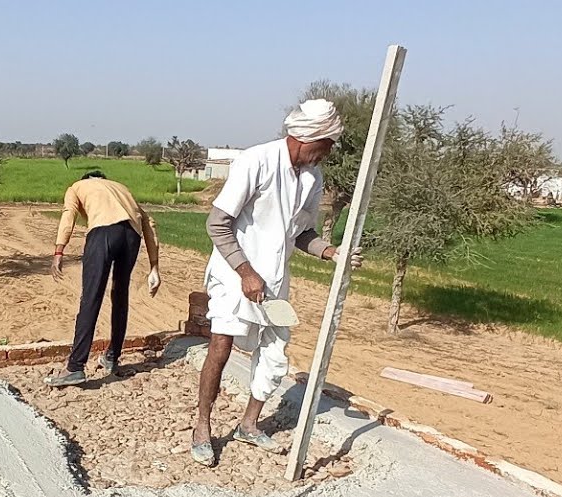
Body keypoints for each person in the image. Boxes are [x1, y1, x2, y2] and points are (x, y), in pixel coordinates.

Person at [191, 99, 362, 466]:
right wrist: (246, 272)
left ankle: (249, 424)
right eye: (325, 145)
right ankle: (202, 426)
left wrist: (332, 252)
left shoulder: (313, 178)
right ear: (305, 137)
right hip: (234, 276)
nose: (326, 154)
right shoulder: (257, 161)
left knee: (274, 352)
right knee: (221, 346)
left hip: (274, 281)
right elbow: (217, 224)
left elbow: (302, 233)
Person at [46, 171, 161, 387]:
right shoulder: (121, 187)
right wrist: (154, 266)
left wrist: (59, 251)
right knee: (120, 295)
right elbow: (148, 222)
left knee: (91, 297)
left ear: (85, 179)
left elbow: (68, 213)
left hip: (103, 233)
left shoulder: (76, 187)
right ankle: (111, 357)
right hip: (131, 236)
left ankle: (75, 367)